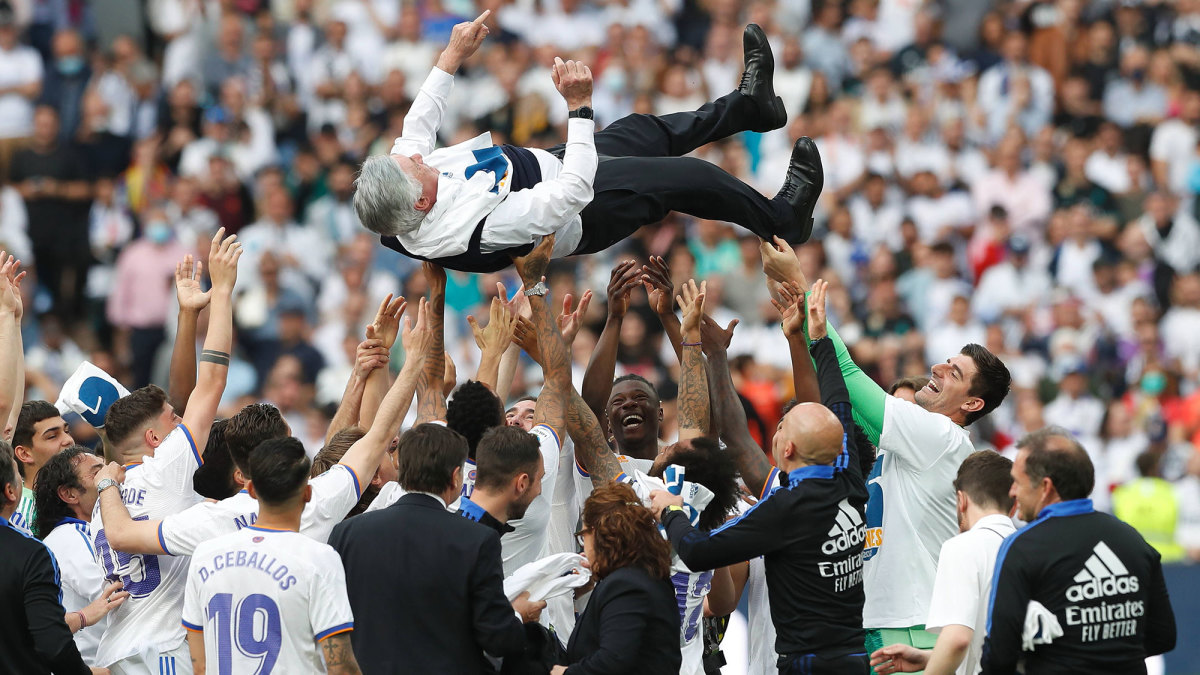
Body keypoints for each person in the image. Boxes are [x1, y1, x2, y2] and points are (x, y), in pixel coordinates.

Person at [355, 16, 822, 273]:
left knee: (647, 131)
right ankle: (783, 219)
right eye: (411, 167)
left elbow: (416, 129)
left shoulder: (407, 197)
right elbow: (572, 193)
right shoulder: (474, 228)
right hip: (584, 210)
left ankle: (750, 107)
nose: (414, 155)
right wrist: (579, 109)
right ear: (420, 198)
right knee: (693, 178)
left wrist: (450, 57)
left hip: (547, 167)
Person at [761, 237, 1012, 657]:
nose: (937, 368)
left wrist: (802, 287)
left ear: (972, 404)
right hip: (885, 622)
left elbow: (845, 372)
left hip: (913, 625)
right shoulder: (911, 443)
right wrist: (798, 333)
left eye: (954, 373)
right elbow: (834, 398)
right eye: (946, 361)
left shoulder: (942, 437)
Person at [649, 280, 870, 675]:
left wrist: (672, 510)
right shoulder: (848, 479)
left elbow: (698, 551)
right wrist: (816, 337)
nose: (774, 431)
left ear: (786, 450)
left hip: (806, 665)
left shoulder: (784, 508)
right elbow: (838, 401)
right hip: (854, 660)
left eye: (780, 427)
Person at [92, 301, 430, 557]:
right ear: (243, 479)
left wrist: (107, 481)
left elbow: (346, 446)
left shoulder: (209, 522)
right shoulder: (313, 506)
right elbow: (372, 437)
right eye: (288, 444)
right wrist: (410, 361)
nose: (299, 453)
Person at [89, 230, 240, 675]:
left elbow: (185, 394)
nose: (183, 422)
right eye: (173, 420)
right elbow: (210, 383)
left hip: (116, 653)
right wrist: (225, 290)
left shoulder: (105, 496)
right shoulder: (165, 471)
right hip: (163, 653)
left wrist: (187, 315)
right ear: (154, 442)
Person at [329, 422, 545, 673]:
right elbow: (497, 639)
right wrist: (518, 616)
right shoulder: (476, 540)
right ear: (455, 477)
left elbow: (331, 622)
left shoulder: (347, 532)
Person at [980, 427, 1176, 674]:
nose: (1012, 492)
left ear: (1046, 487)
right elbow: (1163, 636)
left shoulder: (1021, 547)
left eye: (1018, 482)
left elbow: (999, 656)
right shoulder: (1132, 540)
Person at [182, 437, 361, 674]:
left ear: (251, 490)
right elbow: (340, 667)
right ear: (307, 493)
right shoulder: (319, 558)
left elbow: (200, 666)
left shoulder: (205, 555)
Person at [869, 451, 1016, 675]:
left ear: (961, 500)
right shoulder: (1032, 548)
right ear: (1014, 505)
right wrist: (929, 657)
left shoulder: (962, 547)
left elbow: (957, 639)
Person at [0, 439, 119, 675]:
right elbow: (49, 641)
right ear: (11, 492)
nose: (111, 475)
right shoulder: (60, 541)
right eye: (98, 473)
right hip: (95, 661)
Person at [551, 482, 682, 675]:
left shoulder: (626, 585)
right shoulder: (644, 578)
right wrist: (584, 594)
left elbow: (614, 660)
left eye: (583, 536)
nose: (583, 548)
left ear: (597, 533)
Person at [33, 447, 111, 664]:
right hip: (94, 666)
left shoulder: (77, 534)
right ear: (69, 494)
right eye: (97, 473)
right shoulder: (73, 537)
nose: (110, 476)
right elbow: (114, 595)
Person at [10, 399, 75, 534]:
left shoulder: (84, 489)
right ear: (24, 454)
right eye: (52, 436)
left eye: (67, 431)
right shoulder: (21, 517)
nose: (69, 440)